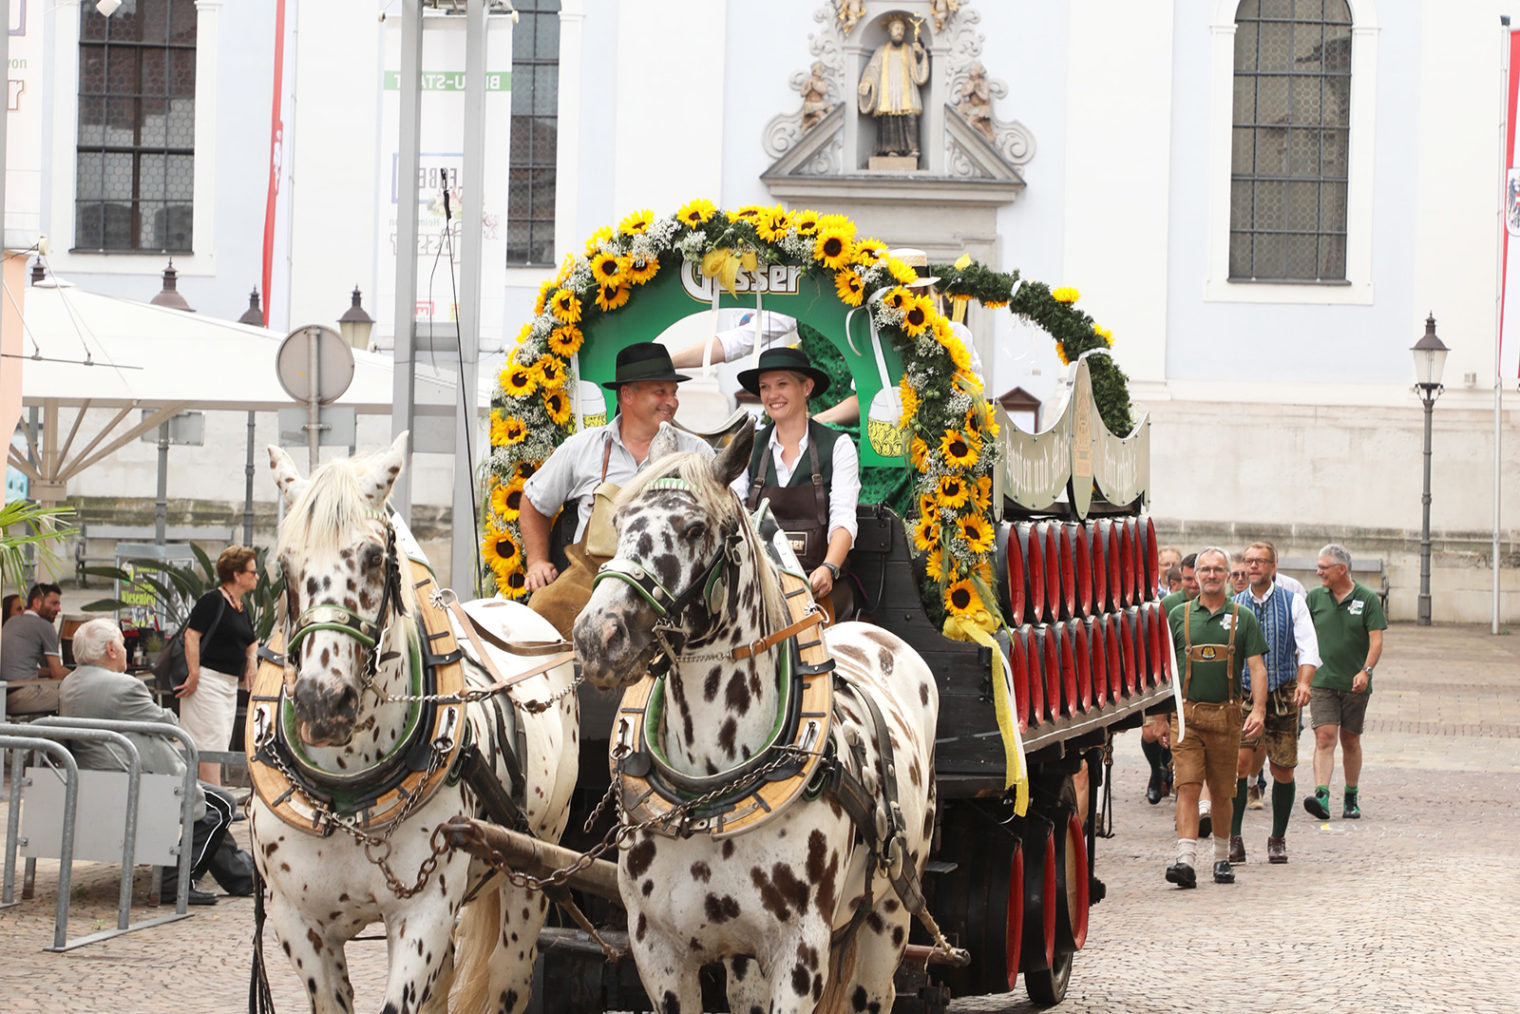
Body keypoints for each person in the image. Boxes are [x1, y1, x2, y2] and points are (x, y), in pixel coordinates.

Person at [521, 342, 715, 636]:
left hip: (669, 586)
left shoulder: (696, 453)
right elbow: (534, 501)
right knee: (543, 609)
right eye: (660, 391)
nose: (671, 402)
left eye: (673, 393)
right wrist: (537, 561)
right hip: (591, 579)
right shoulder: (583, 448)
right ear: (627, 394)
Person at [59, 618, 255, 906]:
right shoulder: (124, 687)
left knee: (213, 804)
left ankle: (241, 876)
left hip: (95, 779)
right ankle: (174, 882)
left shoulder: (68, 683)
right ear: (112, 650)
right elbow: (167, 723)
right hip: (131, 781)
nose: (126, 652)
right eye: (123, 646)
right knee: (221, 805)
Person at [1160, 547, 1268, 888]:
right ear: (1195, 574)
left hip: (1227, 716)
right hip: (1186, 716)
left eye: (1217, 570)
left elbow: (1256, 667)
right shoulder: (1178, 616)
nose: (1210, 575)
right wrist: (1157, 718)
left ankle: (1221, 859)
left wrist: (1261, 710)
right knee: (1188, 787)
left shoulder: (1243, 617)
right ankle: (1185, 861)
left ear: (1227, 575)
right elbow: (1162, 671)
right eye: (1204, 570)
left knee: (1223, 792)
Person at [733, 347, 860, 615]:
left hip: (820, 587)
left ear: (807, 387)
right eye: (764, 387)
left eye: (782, 384)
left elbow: (843, 519)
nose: (772, 395)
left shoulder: (838, 446)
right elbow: (734, 516)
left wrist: (829, 568)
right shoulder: (748, 447)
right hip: (759, 588)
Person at [1228, 541, 1319, 865]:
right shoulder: (1233, 604)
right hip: (1243, 693)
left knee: (1283, 768)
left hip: (1282, 693)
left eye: (1260, 561)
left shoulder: (1293, 602)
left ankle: (1277, 837)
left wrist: (1305, 682)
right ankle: (1234, 837)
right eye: (1249, 561)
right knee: (1239, 764)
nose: (1253, 567)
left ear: (1273, 566)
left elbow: (1308, 648)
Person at [1303, 543, 1386, 821]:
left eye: (1323, 568)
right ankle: (1322, 795)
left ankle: (1351, 795)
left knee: (1350, 739)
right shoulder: (1314, 599)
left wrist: (1366, 671)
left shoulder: (1367, 599)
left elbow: (1376, 641)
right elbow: (1303, 636)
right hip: (1322, 680)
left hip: (1355, 683)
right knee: (1324, 736)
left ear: (1341, 569)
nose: (1318, 573)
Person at [180, 547, 260, 786]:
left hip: (227, 684)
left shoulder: (240, 606)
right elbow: (191, 636)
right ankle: (217, 803)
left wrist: (252, 662)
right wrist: (194, 673)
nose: (256, 576)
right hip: (208, 681)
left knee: (218, 742)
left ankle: (212, 801)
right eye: (252, 572)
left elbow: (252, 641)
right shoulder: (213, 600)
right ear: (237, 574)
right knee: (209, 745)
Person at [857, 13, 930, 158]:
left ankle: (913, 149)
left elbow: (918, 67)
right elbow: (873, 68)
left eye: (902, 29)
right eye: (896, 28)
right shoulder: (881, 51)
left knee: (910, 117)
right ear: (889, 31)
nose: (900, 31)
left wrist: (919, 55)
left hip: (906, 91)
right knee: (888, 119)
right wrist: (867, 82)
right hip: (888, 91)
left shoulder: (909, 49)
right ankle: (890, 150)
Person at [1, 583, 68, 714]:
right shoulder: (45, 626)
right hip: (24, 695)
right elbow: (57, 673)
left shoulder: (11, 622)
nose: (58, 609)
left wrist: (48, 672)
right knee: (75, 695)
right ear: (37, 602)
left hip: (4, 695)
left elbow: (21, 668)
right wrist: (79, 675)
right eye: (54, 603)